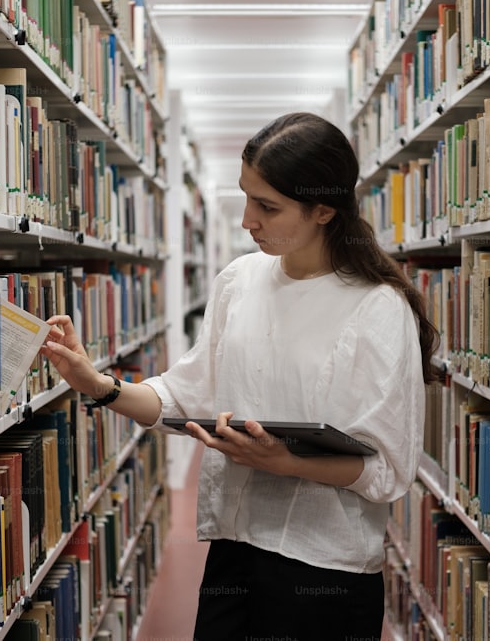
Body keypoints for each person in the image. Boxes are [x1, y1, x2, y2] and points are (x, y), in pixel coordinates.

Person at [40, 111, 440, 640]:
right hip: (234, 551)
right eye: (245, 197)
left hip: (324, 571)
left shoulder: (377, 308)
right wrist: (97, 384)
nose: (246, 220)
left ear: (324, 209)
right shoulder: (239, 281)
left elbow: (387, 469)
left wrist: (285, 460)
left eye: (267, 206)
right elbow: (183, 397)